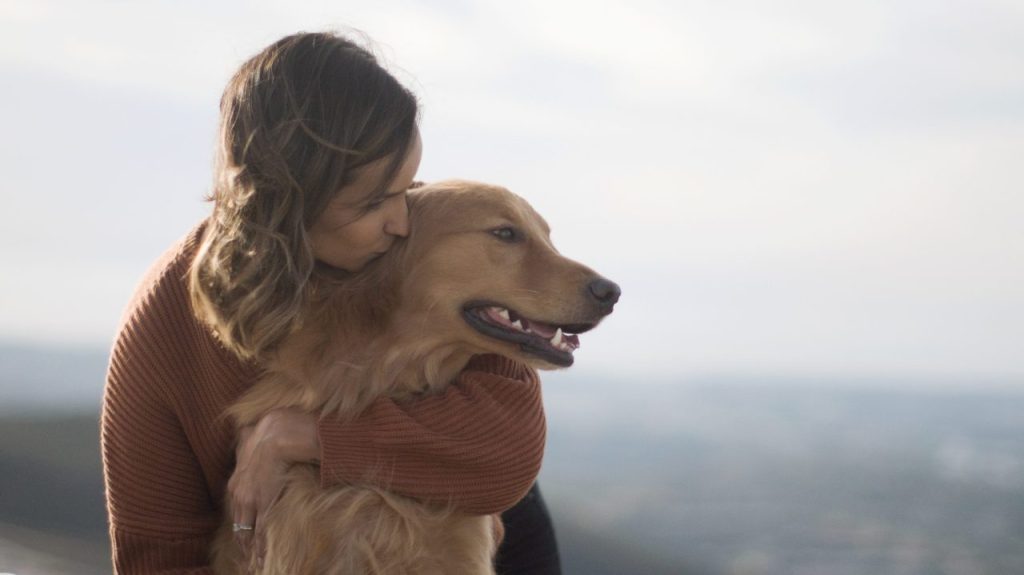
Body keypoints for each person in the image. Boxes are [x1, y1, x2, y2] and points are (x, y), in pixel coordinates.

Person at [101, 31, 562, 574]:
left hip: (478, 532)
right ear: (290, 199)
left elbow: (509, 452)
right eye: (374, 202)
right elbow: (159, 559)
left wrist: (305, 437)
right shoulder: (164, 329)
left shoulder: (414, 248)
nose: (402, 220)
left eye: (408, 187)